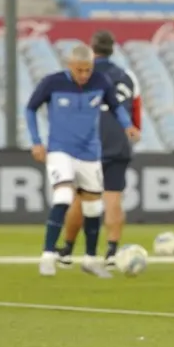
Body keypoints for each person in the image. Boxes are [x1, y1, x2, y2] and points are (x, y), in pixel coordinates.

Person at [25, 44, 140, 278]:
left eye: (88, 70)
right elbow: (30, 108)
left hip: (90, 152)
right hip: (60, 150)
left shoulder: (101, 81)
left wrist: (128, 125)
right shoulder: (52, 82)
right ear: (70, 66)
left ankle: (89, 259)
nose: (85, 75)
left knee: (93, 206)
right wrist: (36, 141)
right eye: (80, 70)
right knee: (64, 196)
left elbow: (116, 107)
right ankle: (47, 256)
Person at [56, 31, 142, 267]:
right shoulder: (127, 76)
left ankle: (66, 251)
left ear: (92, 50)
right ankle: (112, 252)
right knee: (113, 197)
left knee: (79, 198)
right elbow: (136, 113)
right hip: (118, 140)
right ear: (112, 49)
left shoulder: (82, 74)